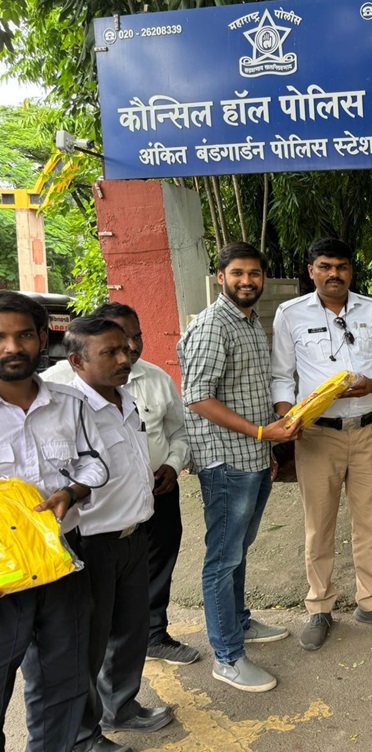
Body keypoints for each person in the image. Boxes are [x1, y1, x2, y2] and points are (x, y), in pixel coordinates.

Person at [272, 237, 372, 651]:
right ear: (311, 270)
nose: (334, 274)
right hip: (317, 435)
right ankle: (320, 607)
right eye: (325, 266)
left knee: (370, 521)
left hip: (368, 429)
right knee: (320, 526)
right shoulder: (290, 314)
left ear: (351, 270)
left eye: (342, 267)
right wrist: (286, 417)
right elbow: (281, 375)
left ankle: (371, 601)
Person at [43, 304, 195, 667]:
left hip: (144, 513)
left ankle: (131, 686)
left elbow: (179, 431)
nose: (128, 351)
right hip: (93, 531)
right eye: (114, 347)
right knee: (93, 629)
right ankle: (89, 717)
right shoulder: (57, 392)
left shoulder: (139, 388)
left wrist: (173, 465)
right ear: (80, 359)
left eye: (133, 340)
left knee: (136, 611)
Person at [178, 242, 299, 692]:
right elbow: (197, 397)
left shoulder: (248, 322)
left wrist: (264, 445)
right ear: (221, 278)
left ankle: (240, 622)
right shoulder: (213, 326)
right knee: (222, 559)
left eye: (254, 273)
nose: (247, 280)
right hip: (226, 460)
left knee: (238, 551)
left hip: (250, 456)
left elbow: (247, 390)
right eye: (237, 273)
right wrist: (262, 434)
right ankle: (227, 657)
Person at [58, 317, 172, 752]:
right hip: (92, 543)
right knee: (88, 642)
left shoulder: (126, 399)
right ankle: (84, 735)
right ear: (77, 361)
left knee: (131, 629)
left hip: (134, 535)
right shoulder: (67, 411)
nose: (126, 358)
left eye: (126, 348)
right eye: (111, 352)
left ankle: (120, 707)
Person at [0, 293, 101, 752]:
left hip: (63, 559)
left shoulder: (68, 402)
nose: (12, 347)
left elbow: (93, 464)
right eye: (0, 337)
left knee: (63, 680)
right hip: (4, 572)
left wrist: (72, 491)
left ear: (44, 337)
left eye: (23, 335)